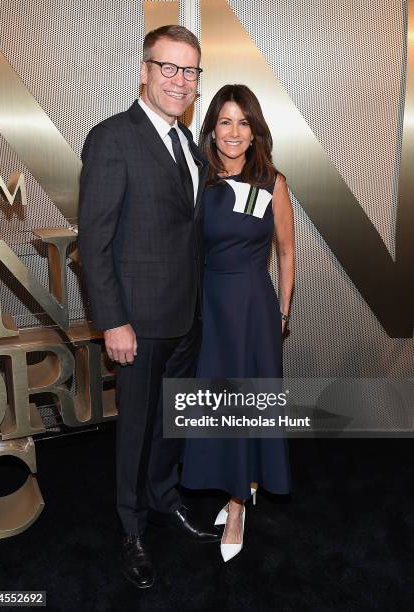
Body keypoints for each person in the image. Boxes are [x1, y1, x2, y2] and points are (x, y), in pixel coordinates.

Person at [78, 25, 221, 590]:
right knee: (135, 429)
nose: (179, 81)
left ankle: (164, 501)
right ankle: (131, 529)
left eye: (190, 71)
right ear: (144, 70)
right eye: (169, 68)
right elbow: (95, 240)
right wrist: (113, 319)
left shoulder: (190, 144)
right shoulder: (114, 137)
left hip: (185, 318)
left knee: (170, 424)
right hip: (136, 323)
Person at [181, 84, 295, 561]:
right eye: (225, 121)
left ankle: (237, 504)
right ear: (212, 127)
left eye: (242, 122)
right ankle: (232, 483)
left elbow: (287, 252)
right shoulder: (197, 177)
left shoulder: (272, 183)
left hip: (252, 309)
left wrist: (284, 312)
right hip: (207, 309)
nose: (233, 132)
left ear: (255, 131)